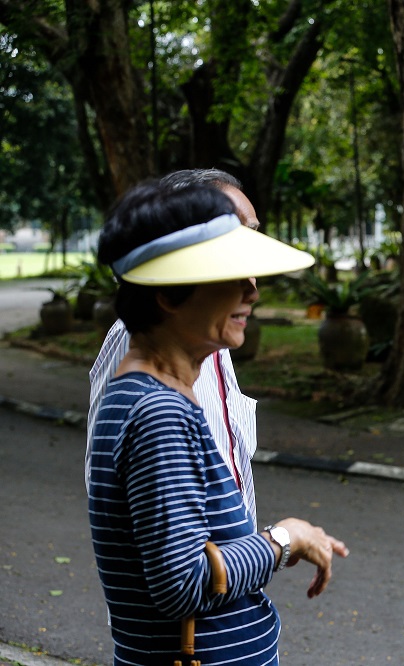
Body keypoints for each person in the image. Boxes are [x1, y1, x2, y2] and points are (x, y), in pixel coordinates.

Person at [88, 181, 349, 665]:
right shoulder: (158, 412)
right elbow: (181, 584)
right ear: (168, 293)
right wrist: (283, 537)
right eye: (230, 273)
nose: (252, 288)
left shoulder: (147, 396)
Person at [86, 169, 261, 527]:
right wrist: (279, 543)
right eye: (226, 253)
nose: (252, 288)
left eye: (250, 238)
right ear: (169, 291)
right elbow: (176, 571)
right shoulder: (141, 358)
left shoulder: (212, 341)